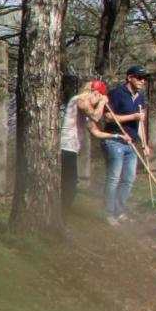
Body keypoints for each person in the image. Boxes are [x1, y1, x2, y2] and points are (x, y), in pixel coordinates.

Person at [102, 65, 150, 225]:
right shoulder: (116, 94)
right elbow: (108, 117)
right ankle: (109, 214)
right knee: (114, 179)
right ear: (129, 77)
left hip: (131, 144)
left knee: (129, 179)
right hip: (114, 141)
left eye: (144, 79)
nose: (143, 81)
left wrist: (144, 144)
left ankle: (119, 211)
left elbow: (140, 124)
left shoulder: (140, 97)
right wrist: (133, 116)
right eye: (139, 77)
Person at [59, 79, 108, 218]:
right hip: (65, 147)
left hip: (73, 149)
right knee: (69, 184)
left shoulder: (85, 110)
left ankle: (63, 214)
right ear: (93, 92)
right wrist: (103, 103)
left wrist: (117, 136)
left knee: (71, 184)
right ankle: (62, 215)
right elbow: (96, 116)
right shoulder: (80, 100)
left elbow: (95, 131)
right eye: (98, 96)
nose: (98, 100)